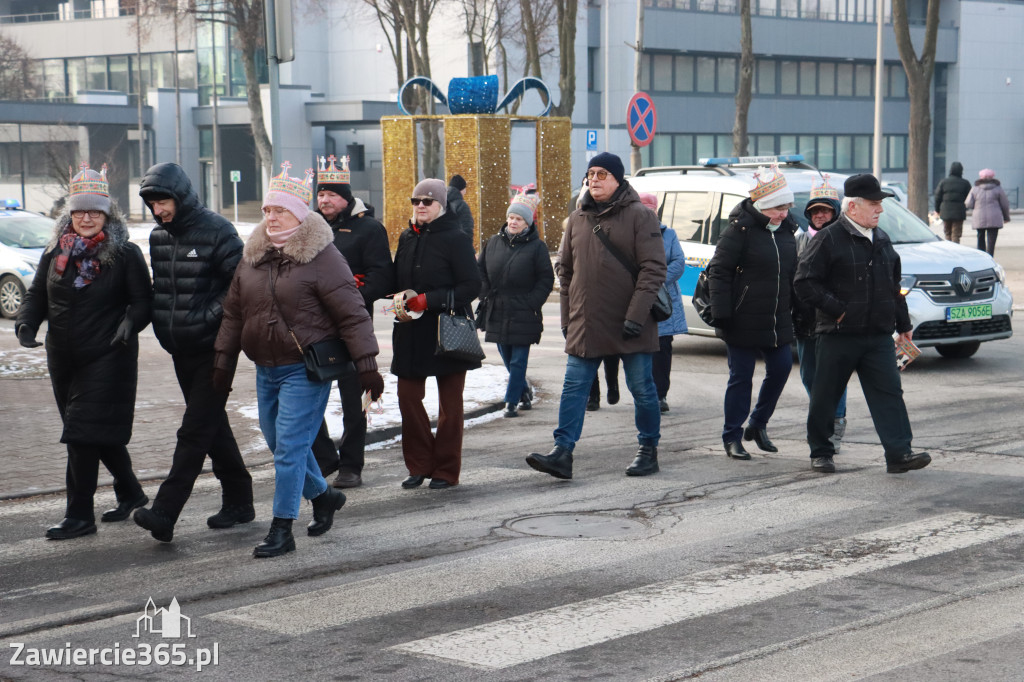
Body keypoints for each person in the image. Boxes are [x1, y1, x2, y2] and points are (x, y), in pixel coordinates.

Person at [213, 164, 384, 558]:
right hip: (265, 367)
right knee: (278, 443)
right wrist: (223, 361)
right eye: (268, 210)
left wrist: (367, 365)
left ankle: (281, 527)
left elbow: (352, 313)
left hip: (305, 368)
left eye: (281, 211)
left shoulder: (323, 257)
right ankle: (323, 497)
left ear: (300, 215)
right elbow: (234, 312)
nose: (271, 217)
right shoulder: (252, 256)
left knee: (290, 447)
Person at [16, 164, 151, 539]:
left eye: (94, 212)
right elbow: (37, 295)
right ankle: (132, 492)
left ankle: (79, 515)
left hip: (109, 355)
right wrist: (27, 323)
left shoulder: (124, 254)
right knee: (93, 433)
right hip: (63, 357)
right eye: (79, 212)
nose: (86, 218)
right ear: (69, 214)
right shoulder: (55, 250)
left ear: (107, 215)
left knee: (80, 435)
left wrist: (130, 324)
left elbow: (143, 301)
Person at [133, 162, 254, 544]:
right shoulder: (157, 237)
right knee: (212, 426)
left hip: (216, 346)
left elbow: (241, 285)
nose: (158, 210)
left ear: (181, 197)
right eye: (152, 204)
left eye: (163, 201)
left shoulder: (217, 230)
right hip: (179, 346)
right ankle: (240, 500)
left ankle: (166, 511)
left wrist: (207, 316)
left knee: (195, 429)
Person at [526, 152, 666, 479]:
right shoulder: (577, 219)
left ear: (618, 179)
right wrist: (566, 319)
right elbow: (566, 273)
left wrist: (636, 315)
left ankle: (648, 449)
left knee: (642, 389)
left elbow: (653, 269)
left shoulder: (639, 216)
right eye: (591, 174)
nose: (594, 179)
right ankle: (562, 452)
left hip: (631, 323)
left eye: (602, 174)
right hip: (586, 324)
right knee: (574, 387)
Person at [794, 173, 931, 475]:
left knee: (890, 393)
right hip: (838, 334)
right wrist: (837, 310)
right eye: (874, 204)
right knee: (826, 395)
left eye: (880, 203)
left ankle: (899, 454)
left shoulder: (881, 239)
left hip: (878, 335)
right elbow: (804, 282)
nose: (880, 209)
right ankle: (821, 452)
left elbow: (893, 286)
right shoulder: (829, 239)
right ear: (853, 207)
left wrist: (903, 323)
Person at [309, 155, 394, 489]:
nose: (324, 200)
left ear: (346, 197)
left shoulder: (369, 229)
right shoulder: (310, 226)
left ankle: (352, 464)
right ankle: (326, 456)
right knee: (307, 397)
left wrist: (350, 298)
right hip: (314, 328)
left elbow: (382, 278)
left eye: (331, 194)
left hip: (352, 327)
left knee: (353, 400)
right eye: (320, 194)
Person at [392, 179, 482, 489]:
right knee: (407, 398)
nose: (420, 205)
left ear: (441, 205)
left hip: (449, 331)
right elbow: (396, 278)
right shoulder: (406, 237)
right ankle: (419, 463)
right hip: (411, 331)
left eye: (427, 201)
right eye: (415, 200)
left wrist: (430, 299)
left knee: (450, 406)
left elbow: (472, 286)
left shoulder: (455, 239)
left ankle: (445, 469)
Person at [706, 165, 798, 460]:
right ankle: (732, 436)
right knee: (741, 377)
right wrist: (722, 313)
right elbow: (718, 272)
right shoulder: (739, 231)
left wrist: (797, 309)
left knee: (782, 368)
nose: (783, 213)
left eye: (786, 207)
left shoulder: (786, 232)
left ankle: (757, 424)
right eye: (777, 207)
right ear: (762, 205)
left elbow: (791, 274)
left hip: (776, 317)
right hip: (741, 317)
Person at [477, 192, 554, 418]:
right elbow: (479, 270)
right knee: (507, 356)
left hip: (523, 309)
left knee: (519, 359)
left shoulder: (537, 247)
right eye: (511, 217)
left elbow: (545, 279)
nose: (513, 222)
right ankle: (523, 391)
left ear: (527, 223)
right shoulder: (493, 242)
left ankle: (511, 401)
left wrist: (532, 301)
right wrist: (484, 294)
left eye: (518, 219)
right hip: (497, 308)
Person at [794, 176, 848, 451]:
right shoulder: (799, 240)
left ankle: (834, 424)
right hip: (805, 322)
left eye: (825, 210)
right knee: (809, 376)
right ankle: (822, 417)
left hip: (834, 321)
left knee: (834, 376)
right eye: (815, 211)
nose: (819, 215)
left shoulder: (844, 240)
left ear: (835, 212)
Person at [639, 192, 686, 413]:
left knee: (663, 348)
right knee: (639, 351)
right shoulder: (629, 234)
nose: (647, 214)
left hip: (662, 300)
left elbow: (678, 261)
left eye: (651, 209)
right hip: (637, 300)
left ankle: (660, 395)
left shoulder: (669, 235)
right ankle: (643, 393)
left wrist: (655, 279)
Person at [966, 168, 1011, 256]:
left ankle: (982, 257)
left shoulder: (975, 188)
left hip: (979, 217)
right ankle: (990, 256)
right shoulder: (998, 188)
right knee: (992, 240)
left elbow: (968, 203)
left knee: (980, 238)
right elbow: (1005, 204)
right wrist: (1006, 217)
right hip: (994, 217)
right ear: (992, 177)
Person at [933, 162, 972, 243]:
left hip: (945, 211)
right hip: (959, 212)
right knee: (956, 234)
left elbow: (937, 196)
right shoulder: (965, 183)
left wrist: (937, 209)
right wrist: (966, 208)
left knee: (947, 233)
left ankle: (949, 250)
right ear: (961, 171)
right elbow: (970, 197)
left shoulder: (943, 182)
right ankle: (955, 250)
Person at [447, 174, 475, 245]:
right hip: (458, 246)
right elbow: (467, 229)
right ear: (461, 189)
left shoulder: (440, 203)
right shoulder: (461, 205)